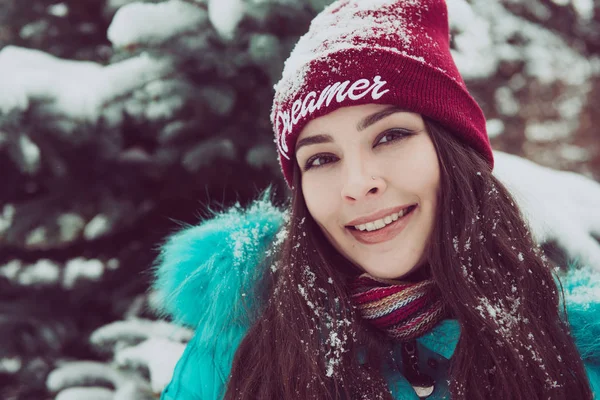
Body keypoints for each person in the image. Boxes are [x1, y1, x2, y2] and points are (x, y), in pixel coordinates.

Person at [153, 0, 600, 398]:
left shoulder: (576, 359)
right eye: (322, 158)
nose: (357, 183)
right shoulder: (236, 352)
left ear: (454, 154)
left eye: (391, 135)